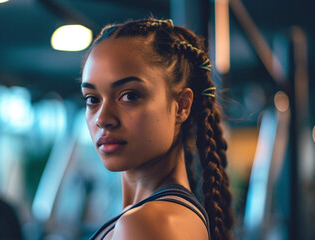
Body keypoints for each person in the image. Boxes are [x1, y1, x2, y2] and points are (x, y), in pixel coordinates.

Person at [81, 18, 234, 240]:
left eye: (129, 96)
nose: (102, 118)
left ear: (182, 105)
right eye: (92, 99)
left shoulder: (146, 224)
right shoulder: (158, 218)